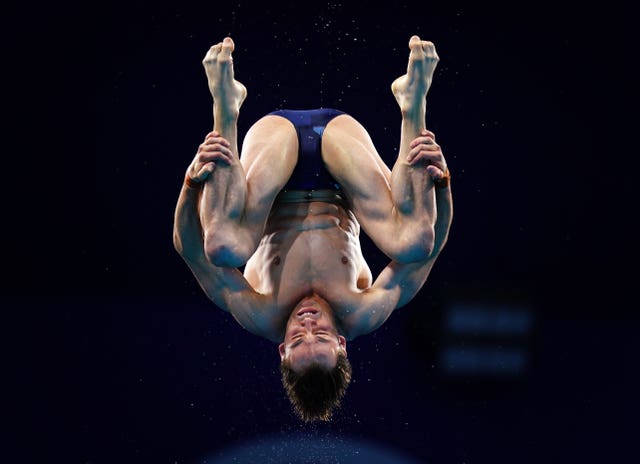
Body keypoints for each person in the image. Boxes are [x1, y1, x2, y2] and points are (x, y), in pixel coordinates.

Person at [173, 35, 453, 422]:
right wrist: (441, 183)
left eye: (297, 338)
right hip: (341, 158)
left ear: (281, 349)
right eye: (320, 335)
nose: (307, 324)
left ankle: (226, 110)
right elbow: (433, 247)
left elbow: (189, 248)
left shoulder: (259, 314)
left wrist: (191, 183)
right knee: (414, 241)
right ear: (341, 343)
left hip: (272, 157)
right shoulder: (363, 313)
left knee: (222, 247)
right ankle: (413, 104)